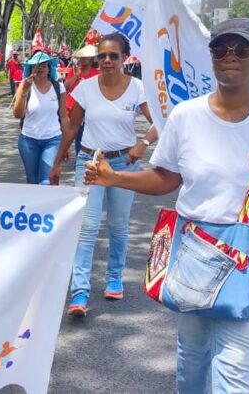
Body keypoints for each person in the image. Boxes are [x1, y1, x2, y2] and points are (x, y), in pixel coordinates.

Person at [85, 18, 249, 392]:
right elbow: (167, 178)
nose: (230, 57)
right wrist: (114, 178)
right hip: (193, 254)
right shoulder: (186, 116)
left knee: (233, 365)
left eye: (242, 49)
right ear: (210, 57)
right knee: (191, 356)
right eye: (220, 49)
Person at [49, 33, 157, 316]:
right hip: (91, 164)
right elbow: (72, 128)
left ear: (125, 58)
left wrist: (142, 144)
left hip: (124, 165)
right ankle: (80, 292)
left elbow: (160, 123)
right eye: (102, 56)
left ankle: (113, 279)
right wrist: (57, 162)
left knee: (118, 227)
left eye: (113, 55)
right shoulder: (85, 88)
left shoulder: (138, 88)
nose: (107, 61)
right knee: (86, 229)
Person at [12, 52, 67, 185]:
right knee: (33, 181)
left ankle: (47, 206)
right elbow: (18, 114)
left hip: (53, 140)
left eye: (43, 65)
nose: (40, 68)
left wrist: (66, 145)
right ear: (30, 69)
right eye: (35, 65)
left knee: (46, 181)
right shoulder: (25, 86)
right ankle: (36, 206)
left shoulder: (58, 87)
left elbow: (64, 116)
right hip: (28, 141)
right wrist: (24, 91)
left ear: (49, 68)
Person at [63, 44, 100, 157]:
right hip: (74, 109)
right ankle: (80, 159)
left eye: (85, 57)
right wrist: (76, 76)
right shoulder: (73, 71)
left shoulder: (97, 73)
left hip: (91, 110)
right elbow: (65, 87)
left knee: (90, 136)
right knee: (77, 134)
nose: (82, 59)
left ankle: (92, 158)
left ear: (92, 59)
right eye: (81, 57)